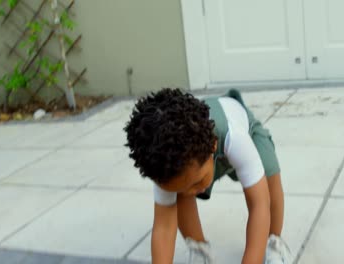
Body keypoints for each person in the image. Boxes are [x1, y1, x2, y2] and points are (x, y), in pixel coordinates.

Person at [124, 88, 292, 264]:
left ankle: (274, 244)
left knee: (269, 185)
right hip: (199, 159)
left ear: (213, 145)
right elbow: (163, 227)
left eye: (196, 183)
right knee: (180, 196)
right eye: (182, 188)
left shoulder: (236, 138)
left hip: (247, 134)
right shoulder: (163, 163)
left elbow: (259, 205)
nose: (190, 192)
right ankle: (200, 250)